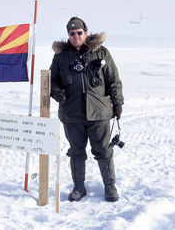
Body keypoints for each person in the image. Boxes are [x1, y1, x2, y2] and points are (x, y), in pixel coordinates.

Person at [49, 17, 124, 202]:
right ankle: (79, 188)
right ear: (68, 35)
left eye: (79, 33)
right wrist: (55, 92)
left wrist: (118, 103)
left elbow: (113, 80)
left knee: (103, 151)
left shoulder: (101, 53)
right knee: (76, 151)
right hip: (71, 113)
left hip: (98, 112)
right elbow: (51, 80)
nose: (76, 36)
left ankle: (110, 186)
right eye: (72, 33)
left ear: (86, 32)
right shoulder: (61, 56)